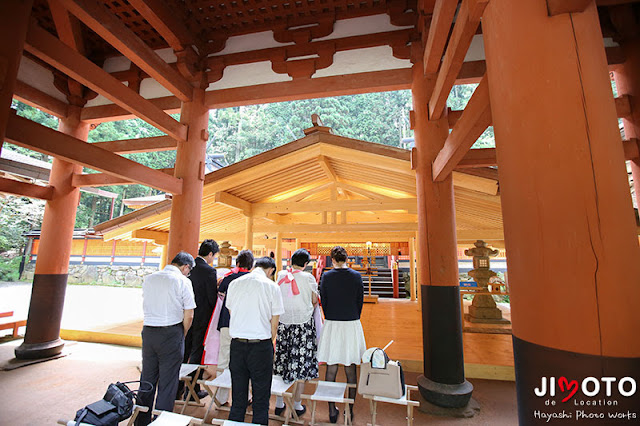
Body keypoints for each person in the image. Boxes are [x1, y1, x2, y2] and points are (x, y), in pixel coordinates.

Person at [136, 252, 196, 426]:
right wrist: (181, 334)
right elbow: (189, 315)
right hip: (171, 331)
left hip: (148, 331)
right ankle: (161, 421)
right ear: (185, 267)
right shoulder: (183, 281)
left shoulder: (150, 278)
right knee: (168, 382)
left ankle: (141, 420)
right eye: (189, 270)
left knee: (147, 378)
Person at [226, 256, 284, 425]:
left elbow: (231, 312)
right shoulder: (272, 287)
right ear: (271, 270)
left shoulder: (235, 284)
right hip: (261, 345)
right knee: (261, 397)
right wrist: (268, 342)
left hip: (237, 344)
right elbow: (275, 323)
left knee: (238, 396)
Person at [317, 246, 366, 423]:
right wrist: (354, 315)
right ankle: (350, 409)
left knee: (331, 367)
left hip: (332, 323)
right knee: (351, 367)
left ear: (333, 260)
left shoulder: (327, 276)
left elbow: (324, 299)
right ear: (347, 259)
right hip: (351, 323)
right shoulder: (356, 276)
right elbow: (360, 300)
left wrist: (330, 315)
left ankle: (331, 409)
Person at [273, 248, 319, 418]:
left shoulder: (280, 275)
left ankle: (279, 403)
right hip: (303, 326)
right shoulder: (309, 278)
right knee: (301, 363)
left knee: (281, 361)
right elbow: (314, 300)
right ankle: (297, 405)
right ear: (306, 264)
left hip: (283, 325)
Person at [215, 249, 254, 405]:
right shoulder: (253, 279)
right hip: (246, 324)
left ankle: (221, 397)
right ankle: (247, 396)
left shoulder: (229, 278)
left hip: (227, 322)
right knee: (247, 361)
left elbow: (220, 292)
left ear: (237, 263)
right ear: (251, 265)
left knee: (224, 358)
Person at [183, 239, 219, 399]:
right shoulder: (209, 271)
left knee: (184, 350)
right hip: (201, 317)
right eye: (214, 255)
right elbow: (212, 298)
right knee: (196, 352)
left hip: (185, 314)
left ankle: (177, 390)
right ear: (210, 254)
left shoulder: (189, 267)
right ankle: (191, 391)